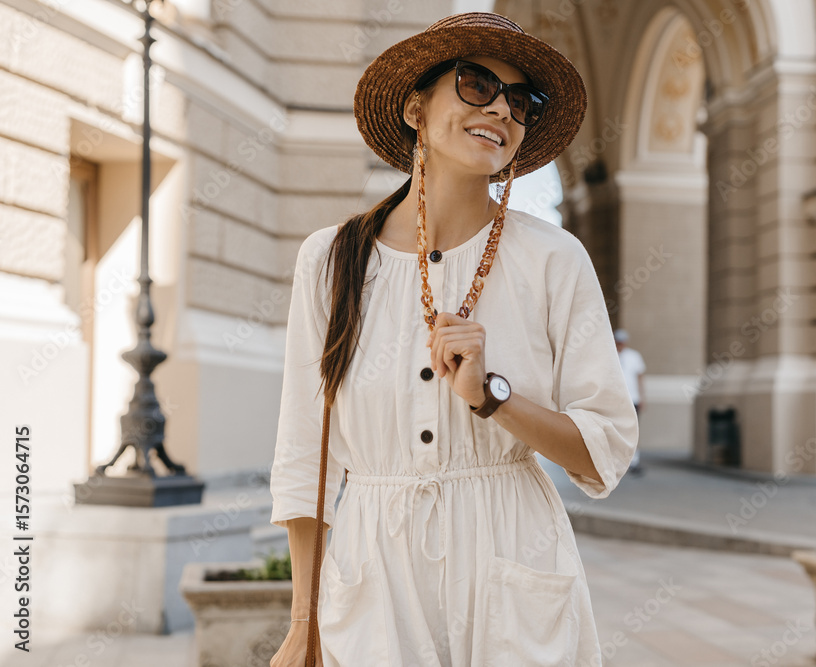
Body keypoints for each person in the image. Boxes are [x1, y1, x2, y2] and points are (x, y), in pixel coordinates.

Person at [267, 12, 638, 667]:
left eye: (520, 101)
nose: (500, 108)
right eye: (476, 84)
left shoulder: (554, 259)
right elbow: (306, 453)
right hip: (372, 570)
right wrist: (303, 620)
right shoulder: (330, 259)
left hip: (510, 555)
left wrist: (494, 397)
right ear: (416, 107)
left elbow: (603, 448)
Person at [614, 329, 647, 475]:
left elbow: (640, 377)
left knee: (634, 430)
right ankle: (616, 461)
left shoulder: (634, 356)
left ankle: (634, 461)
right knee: (615, 429)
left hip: (632, 398)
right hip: (615, 400)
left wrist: (642, 397)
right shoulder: (609, 354)